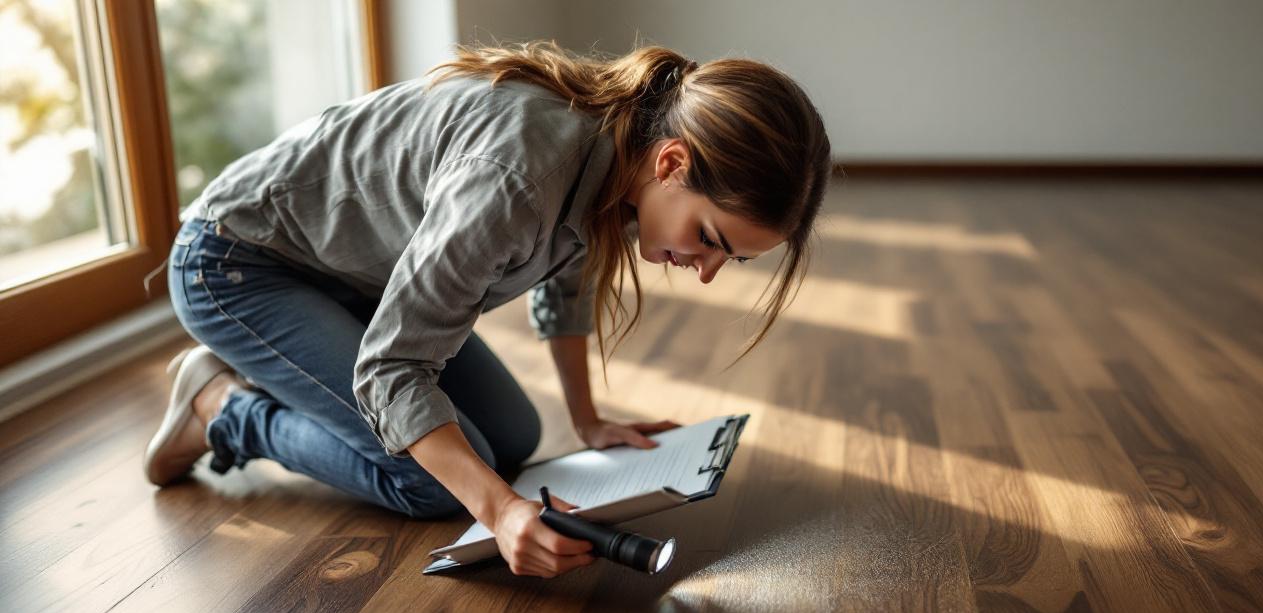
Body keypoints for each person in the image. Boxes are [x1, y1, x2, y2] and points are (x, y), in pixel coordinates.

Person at [143, 40, 831, 578]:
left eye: (728, 259)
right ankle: (221, 408)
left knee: (514, 437)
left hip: (356, 281)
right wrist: (500, 513)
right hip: (236, 264)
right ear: (674, 164)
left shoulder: (620, 161)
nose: (706, 272)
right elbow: (391, 369)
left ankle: (284, 360)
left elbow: (566, 283)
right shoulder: (517, 178)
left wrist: (587, 423)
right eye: (709, 240)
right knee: (430, 485)